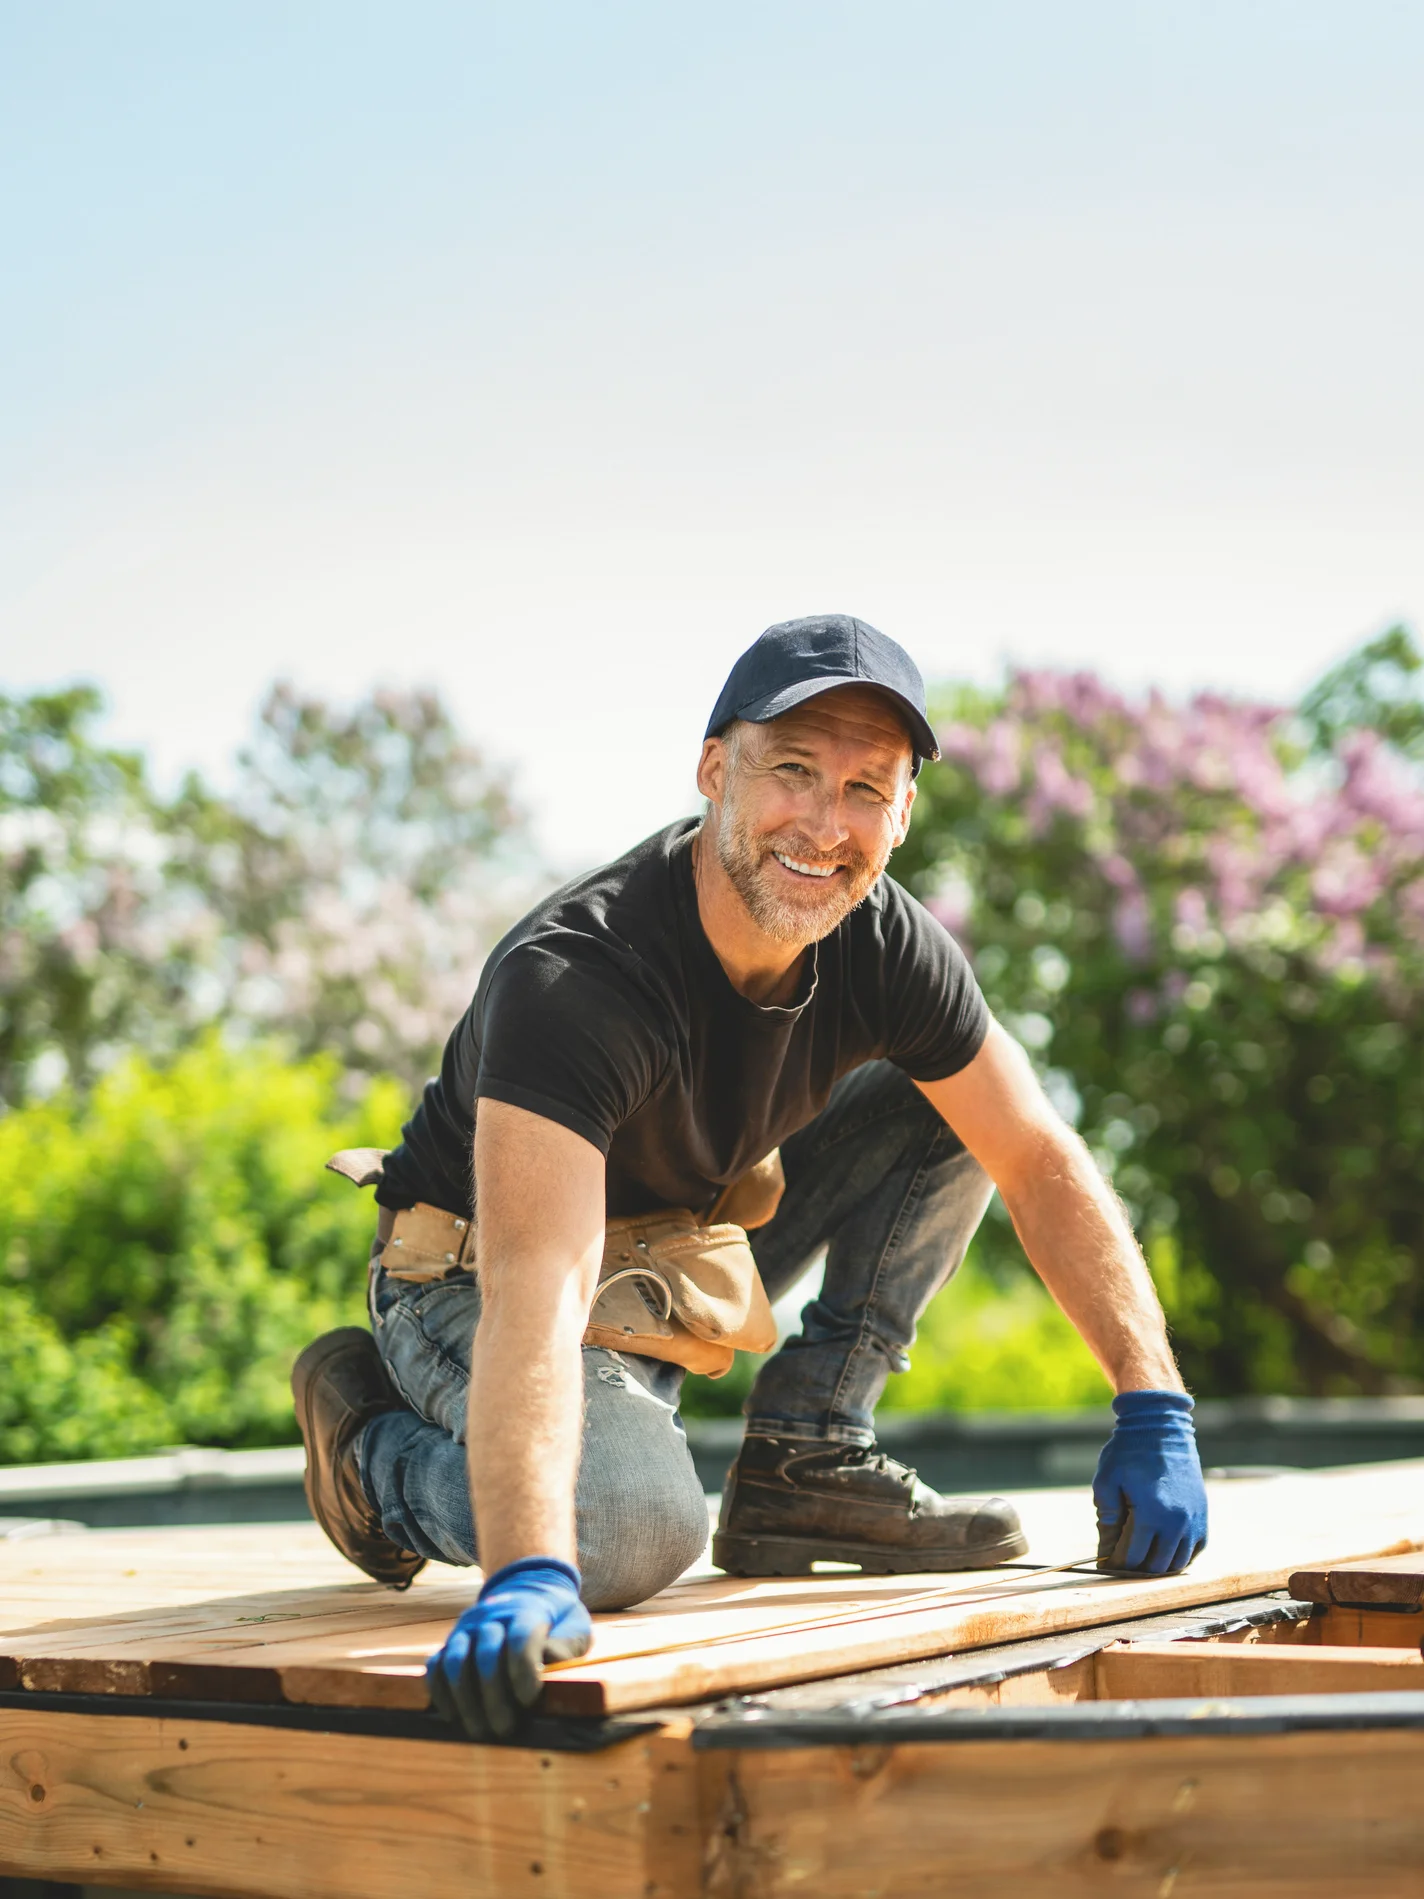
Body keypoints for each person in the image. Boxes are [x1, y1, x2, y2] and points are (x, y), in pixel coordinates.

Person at [292, 613, 1208, 1740]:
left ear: (904, 813)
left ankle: (805, 1459)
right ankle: (371, 1454)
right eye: (791, 772)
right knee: (626, 1529)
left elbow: (1033, 1151)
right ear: (713, 771)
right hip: (476, 1278)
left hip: (672, 1253)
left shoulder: (885, 943)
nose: (826, 826)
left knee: (955, 1111)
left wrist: (1154, 1404)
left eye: (867, 789)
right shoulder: (581, 975)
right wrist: (530, 1566)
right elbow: (538, 1287)